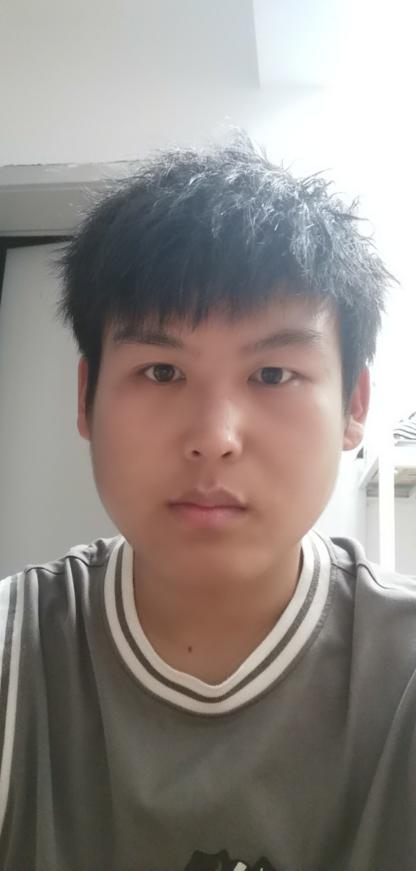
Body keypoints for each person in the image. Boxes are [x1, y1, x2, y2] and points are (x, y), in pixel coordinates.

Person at [0, 133, 413, 871]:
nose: (215, 439)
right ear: (86, 398)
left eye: (273, 374)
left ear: (355, 405)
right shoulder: (15, 654)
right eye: (161, 371)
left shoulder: (402, 675)